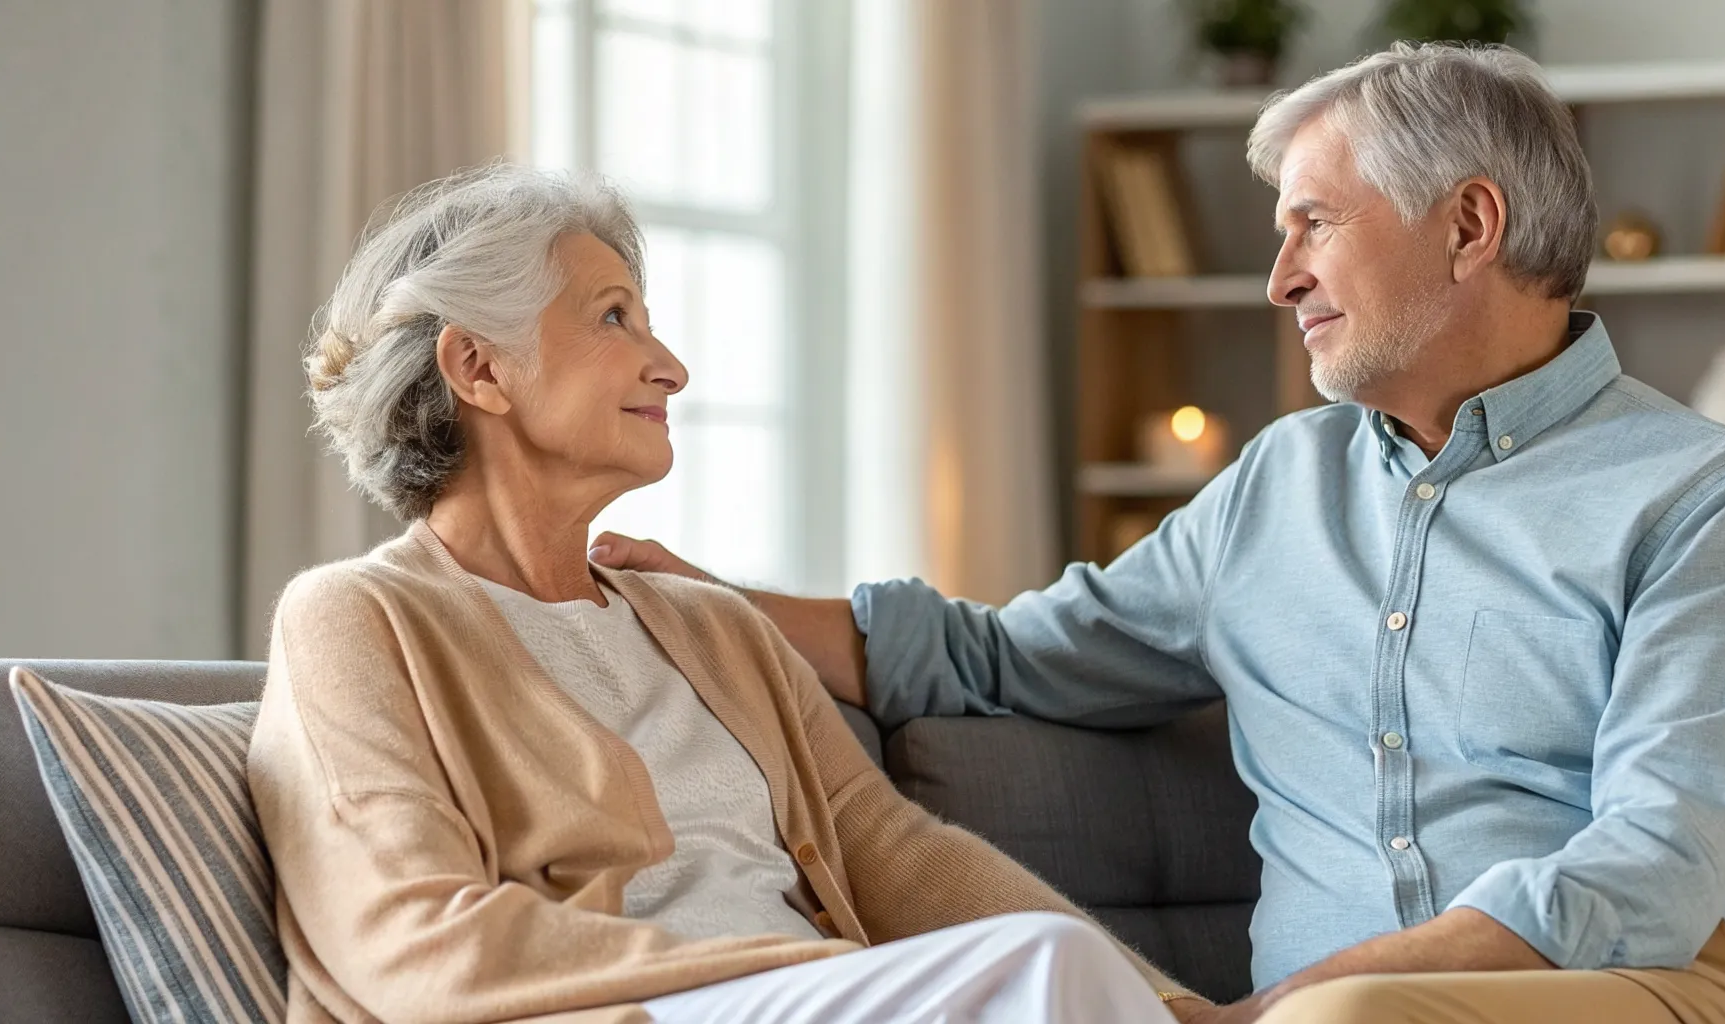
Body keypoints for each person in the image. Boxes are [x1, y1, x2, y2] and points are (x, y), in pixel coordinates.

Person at [593, 42, 1725, 1024]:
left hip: (1661, 990)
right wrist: (705, 603)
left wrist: (1305, 999)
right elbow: (1003, 658)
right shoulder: (1274, 485)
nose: (1279, 278)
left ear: (1467, 226)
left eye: (1312, 223)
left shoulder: (1710, 498)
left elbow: (1651, 871)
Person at [246, 164, 1209, 1024]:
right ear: (479, 367)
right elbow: (409, 941)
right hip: (649, 1009)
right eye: (614, 317)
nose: (671, 367)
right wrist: (789, 972)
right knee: (1041, 971)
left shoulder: (711, 626)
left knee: (1055, 966)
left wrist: (1170, 1004)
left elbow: (898, 852)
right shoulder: (358, 619)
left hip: (808, 996)